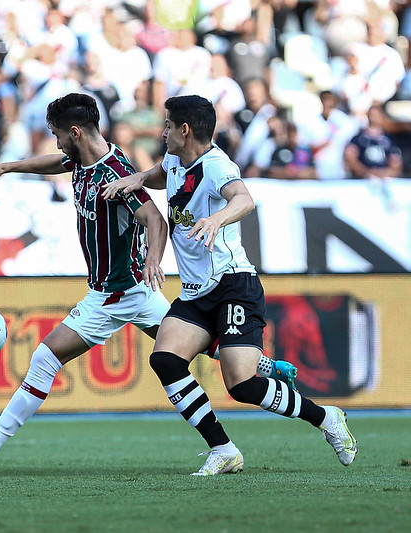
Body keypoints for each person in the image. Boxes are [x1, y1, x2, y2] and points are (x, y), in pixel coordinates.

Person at [0, 93, 296, 475]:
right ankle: (261, 365)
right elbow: (55, 162)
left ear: (75, 132)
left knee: (46, 357)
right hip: (138, 291)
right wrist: (5, 168)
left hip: (115, 292)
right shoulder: (83, 159)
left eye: (58, 135)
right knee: (186, 345)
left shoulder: (113, 171)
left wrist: (151, 261)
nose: (57, 142)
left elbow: (155, 220)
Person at [101, 95, 357, 474]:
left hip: (233, 284)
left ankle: (326, 418)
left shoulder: (217, 165)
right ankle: (223, 449)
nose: (163, 130)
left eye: (168, 124)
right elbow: (162, 172)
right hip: (195, 291)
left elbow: (244, 199)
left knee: (242, 385)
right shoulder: (176, 159)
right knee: (165, 360)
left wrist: (218, 217)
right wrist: (138, 178)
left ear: (184, 130)